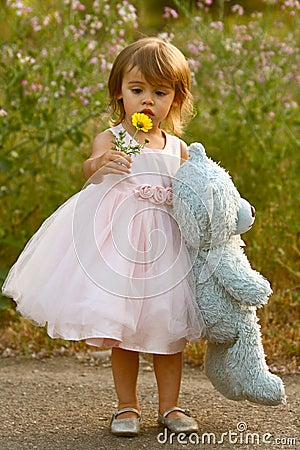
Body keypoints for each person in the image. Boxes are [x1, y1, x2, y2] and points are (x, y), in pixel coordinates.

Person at [2, 37, 205, 437]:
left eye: (159, 92)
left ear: (175, 100)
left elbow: (192, 192)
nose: (147, 101)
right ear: (119, 93)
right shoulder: (114, 137)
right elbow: (90, 172)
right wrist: (102, 161)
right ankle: (126, 406)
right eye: (137, 90)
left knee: (168, 328)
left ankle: (171, 406)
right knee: (125, 329)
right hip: (121, 250)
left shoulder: (178, 147)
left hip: (166, 248)